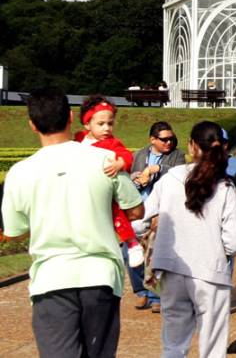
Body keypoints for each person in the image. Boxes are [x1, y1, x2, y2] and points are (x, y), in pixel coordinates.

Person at [2, 87, 144, 357]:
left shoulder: (19, 173)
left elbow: (15, 232)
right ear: (70, 117)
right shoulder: (104, 160)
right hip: (100, 275)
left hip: (52, 278)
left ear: (32, 125)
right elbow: (136, 210)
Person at [144, 121, 236, 358]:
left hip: (171, 268)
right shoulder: (224, 186)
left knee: (174, 343)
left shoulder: (170, 179)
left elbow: (141, 219)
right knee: (212, 346)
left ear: (192, 146)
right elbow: (235, 241)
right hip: (210, 270)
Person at [74, 95, 144, 268]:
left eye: (110, 124)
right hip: (84, 189)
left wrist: (120, 163)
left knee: (117, 214)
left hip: (106, 189)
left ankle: (132, 243)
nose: (106, 128)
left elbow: (126, 155)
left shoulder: (112, 143)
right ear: (87, 124)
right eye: (101, 124)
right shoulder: (78, 140)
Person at [127, 121, 186, 311]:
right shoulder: (140, 155)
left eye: (171, 139)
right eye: (164, 139)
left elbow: (182, 175)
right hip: (139, 209)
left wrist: (159, 169)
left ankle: (155, 295)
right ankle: (141, 291)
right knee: (130, 253)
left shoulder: (177, 156)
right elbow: (130, 180)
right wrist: (138, 179)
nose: (169, 142)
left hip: (161, 212)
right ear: (152, 139)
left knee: (154, 253)